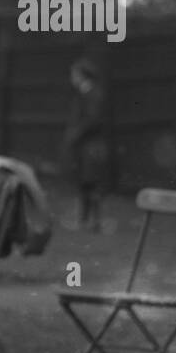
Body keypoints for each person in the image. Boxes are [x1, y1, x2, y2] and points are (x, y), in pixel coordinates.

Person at [63, 57, 108, 231]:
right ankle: (85, 220)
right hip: (86, 145)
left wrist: (75, 134)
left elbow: (93, 120)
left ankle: (92, 221)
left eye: (74, 74)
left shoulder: (93, 93)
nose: (72, 77)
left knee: (91, 183)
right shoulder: (85, 94)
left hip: (91, 145)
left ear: (82, 75)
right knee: (85, 183)